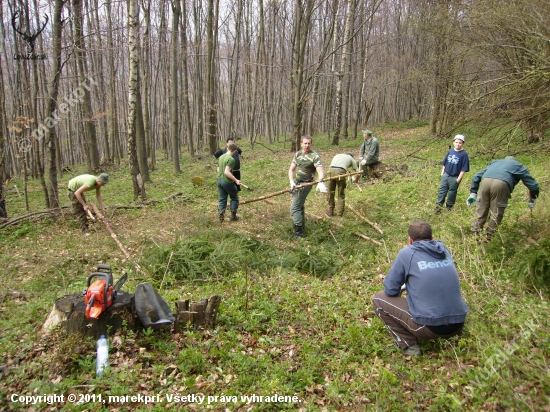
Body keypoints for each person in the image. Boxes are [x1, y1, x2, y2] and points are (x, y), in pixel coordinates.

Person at [372, 220, 468, 356]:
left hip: (430, 328)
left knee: (378, 299)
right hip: (459, 323)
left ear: (410, 240)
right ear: (432, 238)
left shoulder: (406, 254)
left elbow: (390, 289)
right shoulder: (443, 249)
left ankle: (409, 346)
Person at [468, 156, 539, 241]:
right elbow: (533, 186)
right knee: (496, 211)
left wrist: (473, 193)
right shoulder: (518, 165)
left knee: (481, 209)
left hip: (485, 181)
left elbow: (476, 176)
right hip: (501, 184)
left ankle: (474, 236)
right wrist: (533, 198)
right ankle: (489, 238)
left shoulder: (495, 162)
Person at [288, 135, 326, 238]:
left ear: (311, 144)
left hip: (307, 183)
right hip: (297, 183)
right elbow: (291, 169)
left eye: (309, 143)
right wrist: (292, 181)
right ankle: (301, 225)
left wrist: (320, 180)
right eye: (305, 143)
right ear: (301, 144)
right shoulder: (298, 154)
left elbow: (320, 169)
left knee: (294, 208)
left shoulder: (314, 155)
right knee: (299, 205)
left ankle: (298, 232)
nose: (307, 145)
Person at [434, 134, 470, 213]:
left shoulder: (464, 154)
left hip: (454, 177)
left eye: (460, 143)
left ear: (463, 143)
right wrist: (442, 173)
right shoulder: (450, 151)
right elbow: (445, 162)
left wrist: (458, 179)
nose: (458, 144)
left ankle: (449, 208)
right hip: (446, 175)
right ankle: (438, 207)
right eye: (456, 142)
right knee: (442, 191)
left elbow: (464, 168)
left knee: (451, 193)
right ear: (453, 142)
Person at [217, 142, 241, 222]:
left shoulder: (221, 157)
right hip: (227, 182)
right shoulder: (231, 159)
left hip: (219, 181)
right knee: (234, 198)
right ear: (234, 151)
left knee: (222, 199)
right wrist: (236, 180)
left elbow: (218, 169)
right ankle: (233, 217)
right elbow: (226, 172)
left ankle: (221, 218)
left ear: (227, 148)